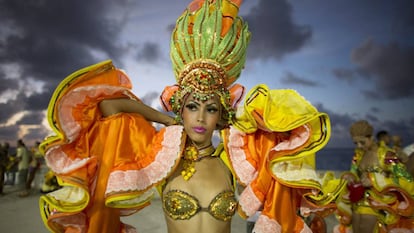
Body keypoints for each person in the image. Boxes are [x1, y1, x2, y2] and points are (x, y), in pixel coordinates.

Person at [39, 1, 344, 233]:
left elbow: (288, 138)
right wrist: (161, 117)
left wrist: (247, 119)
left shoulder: (231, 160)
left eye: (210, 109)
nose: (200, 117)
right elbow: (108, 107)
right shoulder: (163, 158)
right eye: (192, 107)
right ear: (180, 110)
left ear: (220, 115)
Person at [334, 120, 414, 233]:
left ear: (371, 137)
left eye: (362, 142)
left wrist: (374, 181)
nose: (359, 146)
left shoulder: (387, 155)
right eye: (356, 143)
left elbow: (405, 179)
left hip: (377, 207)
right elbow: (354, 173)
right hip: (357, 204)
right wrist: (350, 177)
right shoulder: (358, 155)